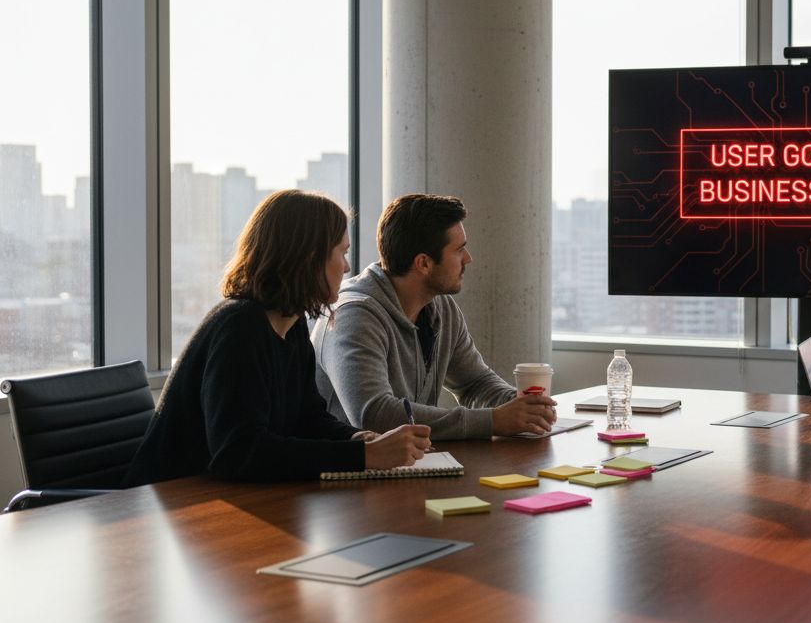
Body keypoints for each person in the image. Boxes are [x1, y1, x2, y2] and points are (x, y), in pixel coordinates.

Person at [123, 190, 431, 487]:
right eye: (342, 251)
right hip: (170, 508)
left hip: (220, 502)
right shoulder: (240, 328)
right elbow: (238, 453)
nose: (347, 266)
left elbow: (308, 419)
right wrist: (363, 456)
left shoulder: (291, 324)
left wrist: (357, 438)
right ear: (309, 258)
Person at [312, 193, 556, 439]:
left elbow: (474, 383)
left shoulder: (441, 308)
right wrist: (492, 421)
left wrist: (523, 406)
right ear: (424, 263)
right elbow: (374, 415)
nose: (468, 259)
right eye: (459, 250)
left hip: (407, 465)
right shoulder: (353, 315)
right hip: (346, 472)